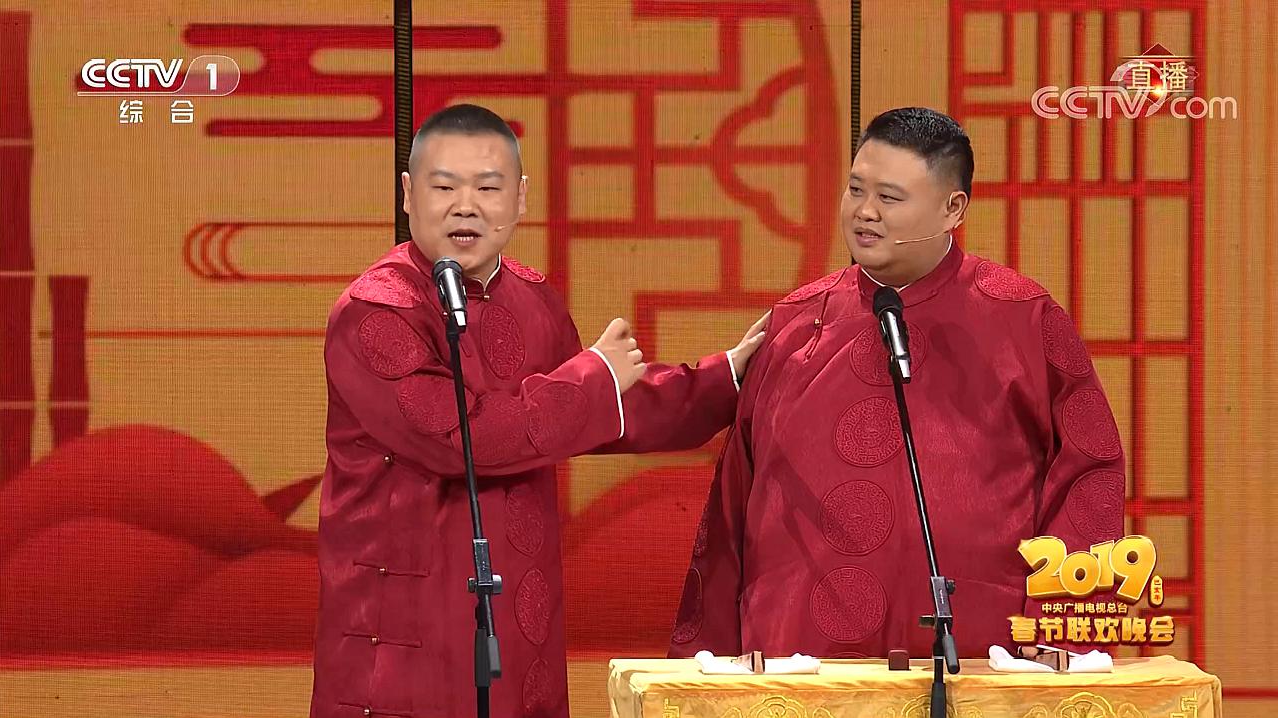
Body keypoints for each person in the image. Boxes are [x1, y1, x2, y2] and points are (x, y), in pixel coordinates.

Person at [310, 104, 767, 718]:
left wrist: (728, 376)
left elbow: (602, 408)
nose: (465, 207)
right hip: (405, 624)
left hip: (518, 615)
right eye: (444, 188)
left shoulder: (532, 297)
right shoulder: (377, 312)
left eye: (487, 188)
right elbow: (461, 437)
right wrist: (594, 378)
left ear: (521, 197)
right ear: (408, 194)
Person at [669, 107, 1126, 660]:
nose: (865, 212)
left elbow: (1088, 475)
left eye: (889, 197)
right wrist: (714, 662)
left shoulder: (1022, 318)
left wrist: (1059, 630)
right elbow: (734, 499)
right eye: (855, 189)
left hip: (981, 648)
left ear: (953, 208)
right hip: (802, 655)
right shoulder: (795, 323)